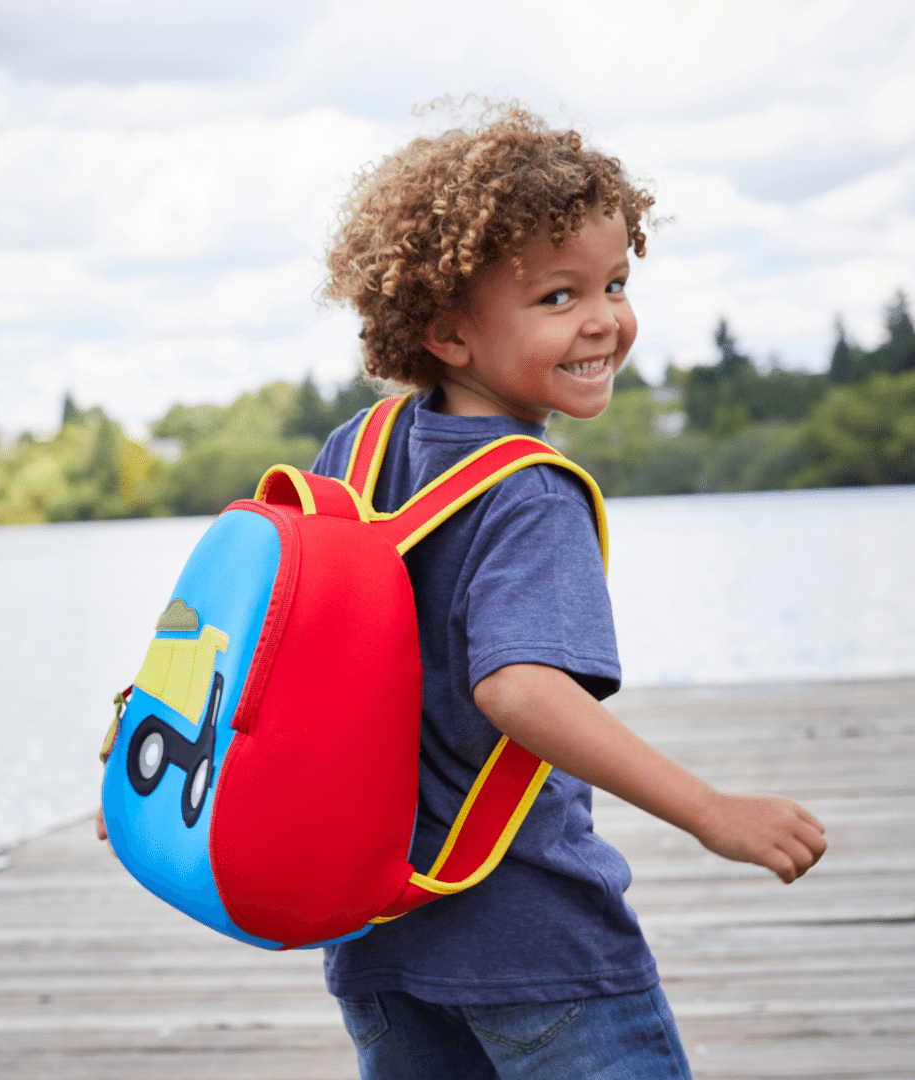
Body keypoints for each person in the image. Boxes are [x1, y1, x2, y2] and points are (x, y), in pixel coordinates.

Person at [307, 104, 827, 1079]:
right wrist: (711, 809)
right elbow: (520, 691)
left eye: (616, 283)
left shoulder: (360, 449)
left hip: (377, 937)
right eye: (558, 296)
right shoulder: (531, 497)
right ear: (449, 334)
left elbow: (256, 621)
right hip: (537, 943)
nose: (606, 320)